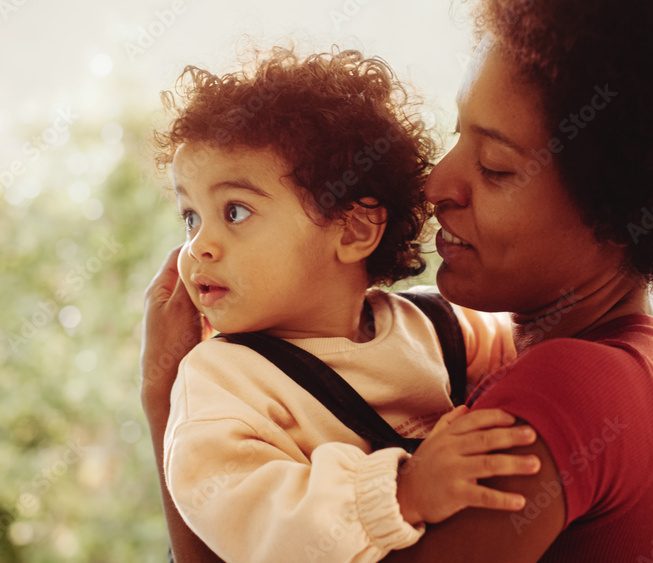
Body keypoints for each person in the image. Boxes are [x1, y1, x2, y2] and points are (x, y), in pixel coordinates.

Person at [143, 0, 653, 561]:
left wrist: (161, 396)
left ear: (616, 208)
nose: (435, 185)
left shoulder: (571, 387)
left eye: (497, 167)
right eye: (457, 135)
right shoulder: (587, 361)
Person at [147, 48, 546, 563]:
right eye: (190, 217)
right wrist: (405, 493)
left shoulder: (433, 327)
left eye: (235, 210)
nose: (198, 244)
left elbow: (535, 358)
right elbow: (260, 522)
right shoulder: (220, 382)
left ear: (354, 230)